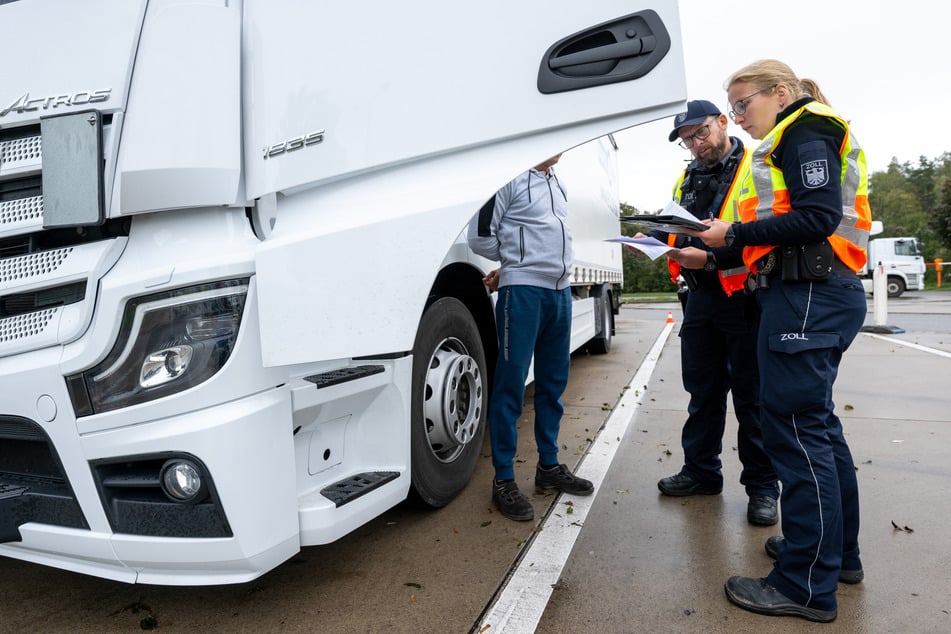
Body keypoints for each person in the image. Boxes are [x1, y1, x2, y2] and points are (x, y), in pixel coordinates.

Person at [690, 60, 872, 623]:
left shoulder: (806, 128)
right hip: (811, 288)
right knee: (816, 427)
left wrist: (734, 233)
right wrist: (712, 254)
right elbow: (784, 227)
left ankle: (803, 584)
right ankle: (835, 555)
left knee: (794, 432)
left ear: (781, 92)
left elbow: (815, 217)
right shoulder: (794, 135)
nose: (738, 117)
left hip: (808, 292)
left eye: (743, 104)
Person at [643, 100, 780, 526]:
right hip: (700, 298)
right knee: (702, 393)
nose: (695, 145)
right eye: (686, 140)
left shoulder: (755, 167)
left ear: (723, 122)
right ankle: (702, 472)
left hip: (744, 297)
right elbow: (678, 224)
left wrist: (711, 260)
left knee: (751, 399)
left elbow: (764, 234)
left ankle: (762, 489)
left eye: (699, 133)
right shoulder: (688, 176)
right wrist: (648, 234)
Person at [467, 154, 594, 522]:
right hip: (522, 293)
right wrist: (513, 261)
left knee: (553, 385)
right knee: (510, 386)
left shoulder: (557, 180)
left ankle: (548, 467)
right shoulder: (507, 177)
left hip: (559, 292)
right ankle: (504, 480)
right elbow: (479, 236)